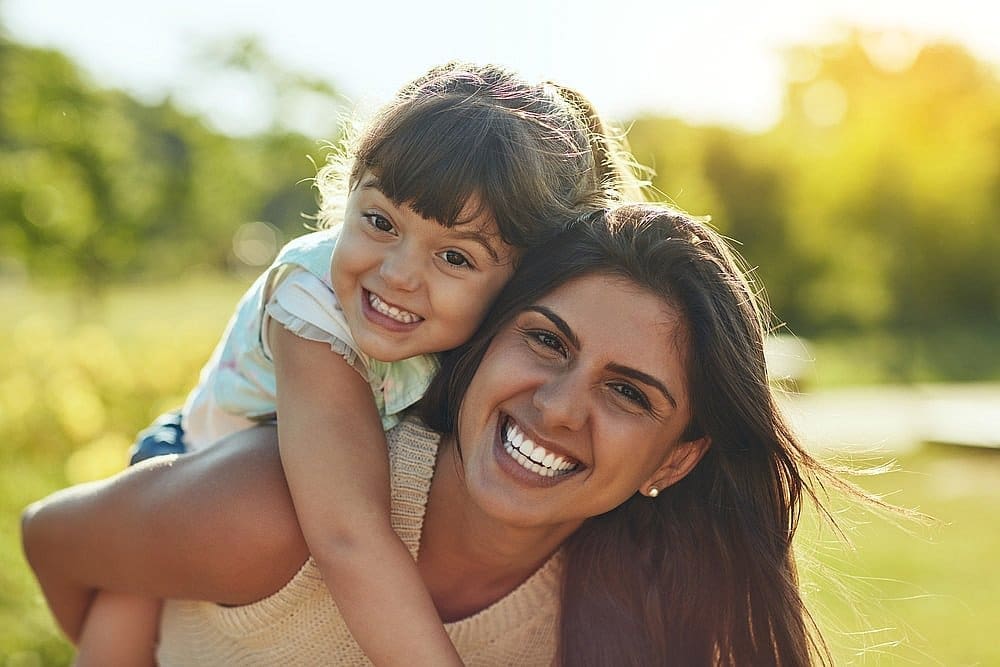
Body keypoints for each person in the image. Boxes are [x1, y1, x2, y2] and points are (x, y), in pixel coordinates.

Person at [23, 202, 859, 665]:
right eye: (545, 340)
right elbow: (50, 540)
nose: (561, 407)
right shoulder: (278, 503)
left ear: (675, 459)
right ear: (481, 340)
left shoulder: (640, 624)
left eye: (629, 393)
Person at [62, 61, 642, 666]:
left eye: (454, 257)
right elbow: (348, 535)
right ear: (348, 194)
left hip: (274, 505)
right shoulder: (312, 302)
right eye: (380, 222)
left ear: (526, 285)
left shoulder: (505, 341)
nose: (396, 273)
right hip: (190, 469)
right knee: (123, 616)